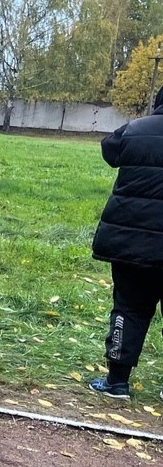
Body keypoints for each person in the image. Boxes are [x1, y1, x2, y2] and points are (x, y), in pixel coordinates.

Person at [87, 87, 163, 399]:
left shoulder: (135, 129)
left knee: (129, 308)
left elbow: (110, 150)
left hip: (132, 241)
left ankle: (117, 381)